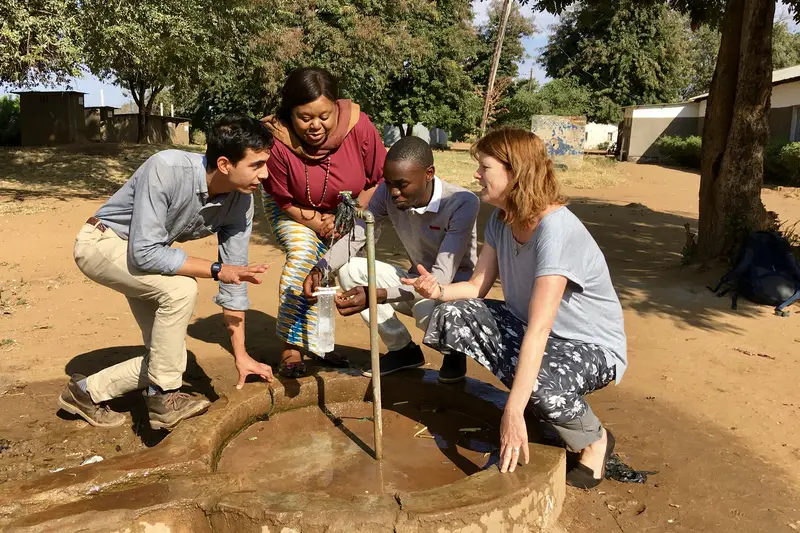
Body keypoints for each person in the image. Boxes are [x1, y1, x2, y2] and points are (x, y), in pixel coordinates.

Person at [404, 128, 627, 489]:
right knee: (452, 314)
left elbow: (539, 329)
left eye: (485, 167)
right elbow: (476, 287)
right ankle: (541, 403)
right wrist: (437, 289)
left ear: (515, 172)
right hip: (536, 332)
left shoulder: (556, 231)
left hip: (589, 346)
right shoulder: (501, 219)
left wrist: (511, 411)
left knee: (537, 385)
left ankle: (595, 440)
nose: (477, 174)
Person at [58, 115, 275, 432]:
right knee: (181, 289)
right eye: (256, 165)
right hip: (102, 243)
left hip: (145, 256)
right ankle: (163, 396)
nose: (265, 174)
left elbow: (236, 282)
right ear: (225, 164)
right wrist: (216, 269)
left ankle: (85, 392)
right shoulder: (167, 168)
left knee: (166, 357)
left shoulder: (241, 202)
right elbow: (145, 252)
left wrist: (240, 355)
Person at [303, 136, 479, 381]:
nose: (394, 192)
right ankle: (403, 349)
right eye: (388, 183)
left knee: (427, 309)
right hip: (413, 282)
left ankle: (453, 351)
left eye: (402, 184)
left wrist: (378, 295)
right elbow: (357, 237)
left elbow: (440, 278)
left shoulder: (461, 202)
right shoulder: (387, 194)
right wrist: (321, 268)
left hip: (451, 294)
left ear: (429, 174)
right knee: (350, 270)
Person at [260, 67, 385, 378]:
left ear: (336, 109)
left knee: (329, 269)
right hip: (292, 207)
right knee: (305, 256)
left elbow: (379, 180)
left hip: (350, 209)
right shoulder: (276, 139)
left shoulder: (359, 126)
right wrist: (318, 223)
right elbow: (282, 198)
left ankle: (320, 343)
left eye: (324, 116)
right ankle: (291, 345)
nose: (315, 126)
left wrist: (347, 214)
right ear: (289, 113)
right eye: (304, 118)